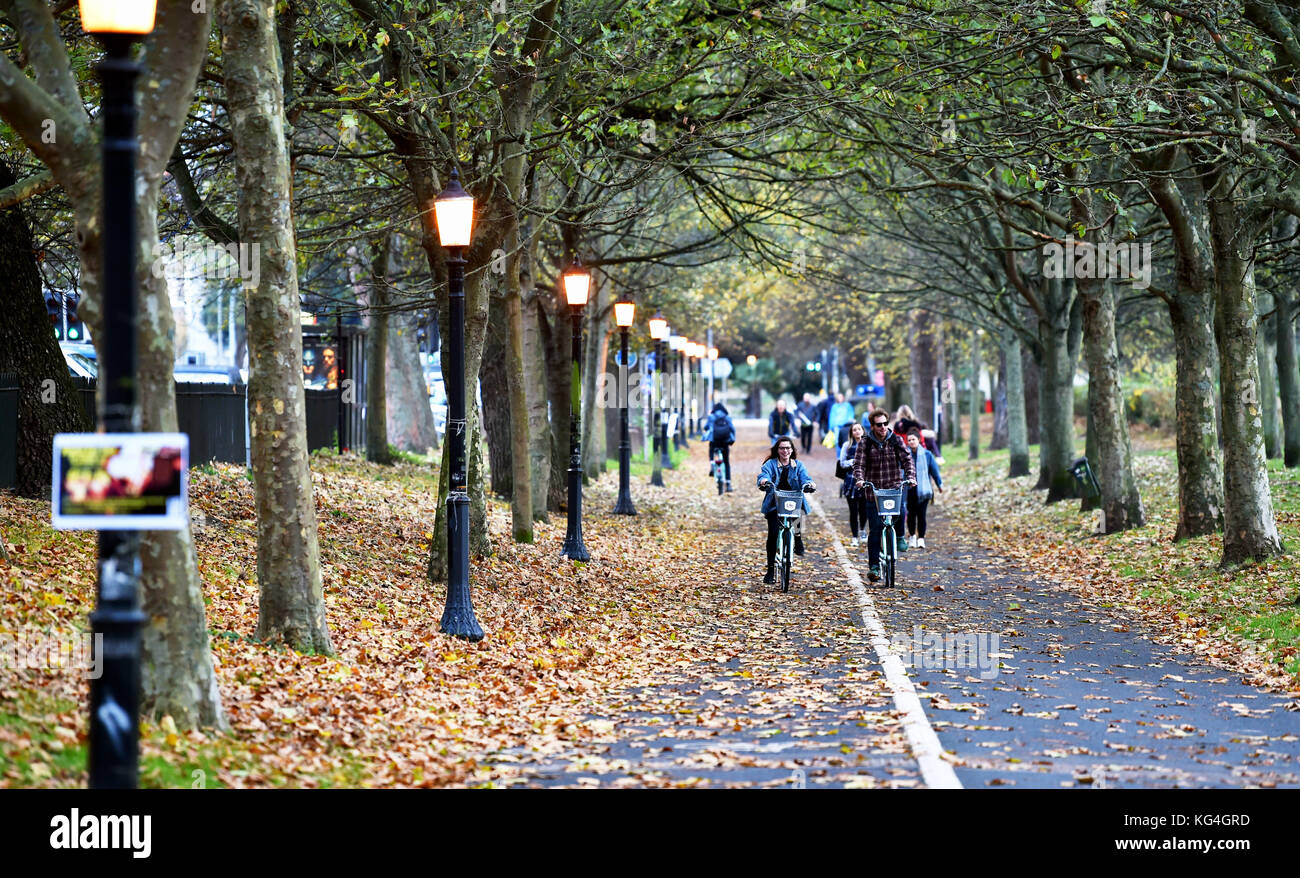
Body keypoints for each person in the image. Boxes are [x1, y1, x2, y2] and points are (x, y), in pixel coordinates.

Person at [853, 409, 917, 582]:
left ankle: (900, 536)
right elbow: (858, 464)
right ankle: (874, 566)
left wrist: (910, 477)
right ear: (872, 426)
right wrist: (859, 479)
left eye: (885, 424)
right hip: (873, 491)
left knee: (901, 509)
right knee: (875, 530)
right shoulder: (865, 443)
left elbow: (907, 460)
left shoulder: (895, 439)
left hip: (894, 487)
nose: (882, 427)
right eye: (878, 425)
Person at [757, 436, 815, 583]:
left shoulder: (798, 465)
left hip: (793, 501)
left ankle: (798, 538)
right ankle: (770, 570)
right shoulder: (770, 464)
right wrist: (764, 481)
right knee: (773, 534)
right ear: (777, 450)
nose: (785, 451)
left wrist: (809, 484)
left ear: (792, 450)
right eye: (782, 448)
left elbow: (805, 478)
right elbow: (763, 475)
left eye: (788, 448)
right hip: (775, 503)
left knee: (797, 514)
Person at [906, 430, 942, 549]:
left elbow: (934, 470)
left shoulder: (927, 454)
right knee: (911, 515)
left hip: (924, 490)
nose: (911, 442)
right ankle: (912, 537)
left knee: (921, 515)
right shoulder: (905, 454)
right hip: (909, 489)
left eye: (913, 439)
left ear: (919, 440)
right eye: (909, 440)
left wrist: (939, 484)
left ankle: (921, 538)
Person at [839, 422, 870, 548]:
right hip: (850, 482)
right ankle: (854, 536)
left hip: (865, 482)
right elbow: (842, 463)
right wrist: (852, 462)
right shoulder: (847, 445)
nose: (857, 432)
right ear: (851, 433)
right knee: (853, 511)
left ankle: (862, 530)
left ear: (863, 430)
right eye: (854, 430)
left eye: (859, 429)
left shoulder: (868, 444)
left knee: (864, 510)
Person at [703, 402, 736, 491]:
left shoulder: (711, 417)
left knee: (711, 447)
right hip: (725, 442)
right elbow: (732, 429)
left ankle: (712, 464)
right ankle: (728, 483)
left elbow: (705, 427)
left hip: (715, 442)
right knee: (726, 462)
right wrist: (732, 439)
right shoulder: (727, 417)